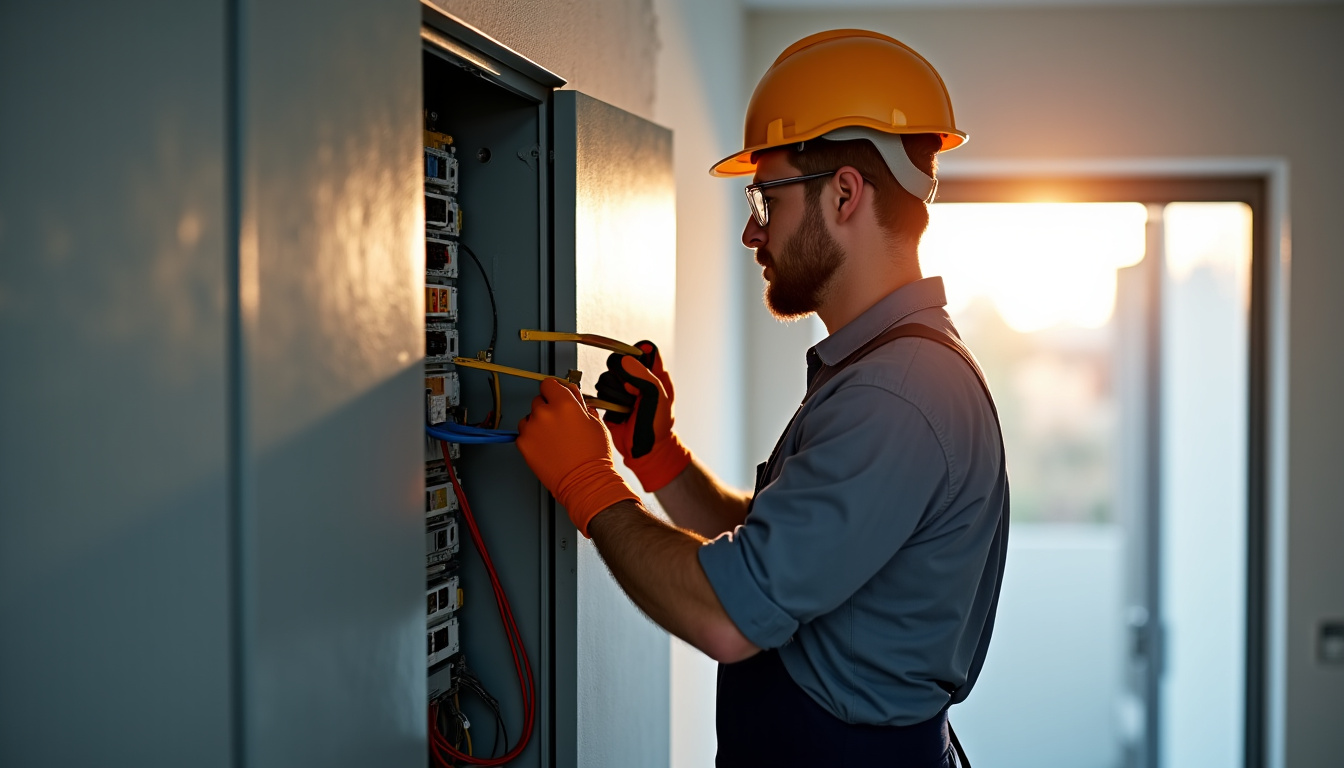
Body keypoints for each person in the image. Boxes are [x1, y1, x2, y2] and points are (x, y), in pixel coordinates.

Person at [516, 29, 1008, 768]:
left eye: (765, 198)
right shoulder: (882, 371)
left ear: (845, 192)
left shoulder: (898, 394)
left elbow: (727, 615)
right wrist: (659, 460)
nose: (752, 230)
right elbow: (784, 553)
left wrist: (589, 484)